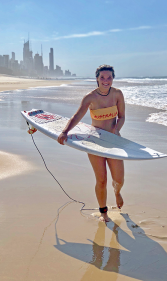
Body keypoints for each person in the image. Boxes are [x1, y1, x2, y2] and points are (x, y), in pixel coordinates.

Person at [57, 64, 125, 222]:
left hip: (113, 140)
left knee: (119, 179)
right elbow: (77, 116)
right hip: (95, 141)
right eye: (102, 77)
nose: (106, 80)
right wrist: (65, 131)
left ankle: (117, 192)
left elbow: (122, 116)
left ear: (113, 78)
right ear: (97, 78)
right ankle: (104, 213)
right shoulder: (90, 97)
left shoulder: (117, 94)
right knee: (101, 180)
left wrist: (116, 129)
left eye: (109, 77)